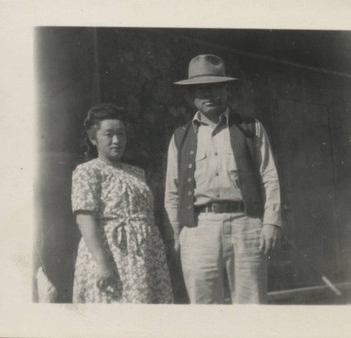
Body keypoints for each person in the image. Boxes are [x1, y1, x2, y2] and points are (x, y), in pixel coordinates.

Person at [165, 54, 282, 304]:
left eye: (215, 87)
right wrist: (179, 233)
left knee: (252, 306)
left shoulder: (251, 128)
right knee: (204, 308)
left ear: (226, 89)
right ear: (190, 96)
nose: (208, 94)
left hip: (246, 223)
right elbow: (172, 191)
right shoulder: (180, 137)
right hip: (198, 228)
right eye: (200, 89)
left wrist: (271, 222)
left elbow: (269, 176)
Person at [71, 103, 173, 303]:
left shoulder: (137, 172)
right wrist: (102, 263)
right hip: (111, 255)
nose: (116, 140)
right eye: (108, 134)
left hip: (144, 257)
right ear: (93, 138)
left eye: (121, 134)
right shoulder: (88, 171)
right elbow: (84, 218)